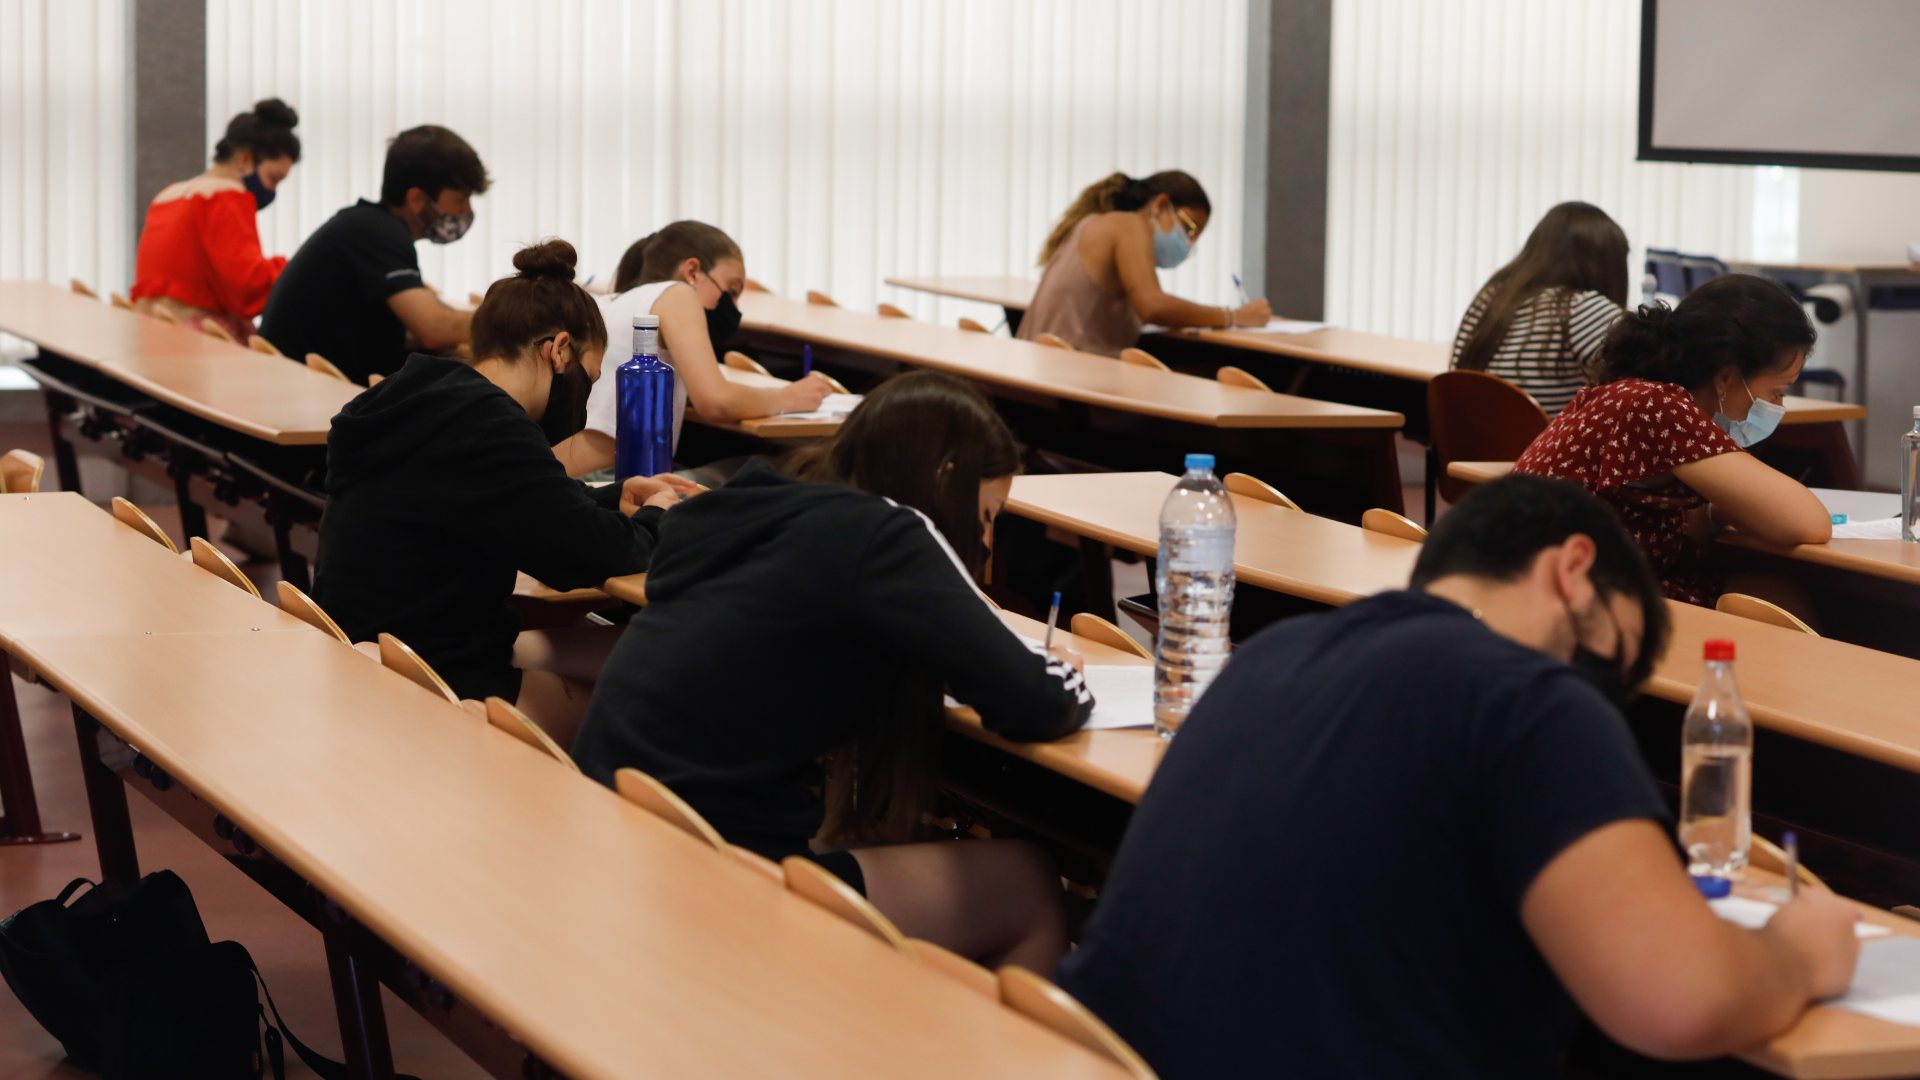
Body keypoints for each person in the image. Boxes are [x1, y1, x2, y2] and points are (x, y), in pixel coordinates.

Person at [1056, 474, 1861, 1079]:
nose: (1595, 694)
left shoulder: (1274, 655)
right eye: (1603, 662)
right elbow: (1680, 1001)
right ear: (1572, 570)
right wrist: (1799, 951)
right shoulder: (1528, 698)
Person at [571, 371, 1093, 972]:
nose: (980, 540)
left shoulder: (757, 505)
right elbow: (1035, 700)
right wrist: (1066, 669)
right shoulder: (888, 531)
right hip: (710, 868)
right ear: (947, 478)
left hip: (620, 825)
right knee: (1025, 881)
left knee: (879, 841)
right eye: (983, 517)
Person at [313, 239, 690, 744]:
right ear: (558, 350)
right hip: (433, 678)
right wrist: (659, 515)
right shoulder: (490, 426)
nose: (583, 395)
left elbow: (514, 505)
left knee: (606, 648)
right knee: (656, 709)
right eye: (588, 376)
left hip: (367, 652)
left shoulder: (420, 394)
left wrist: (609, 499)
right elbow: (583, 557)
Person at [1515, 274, 1831, 605]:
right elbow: (1809, 523)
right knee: (1780, 599)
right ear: (1726, 377)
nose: (1779, 407)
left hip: (1567, 587)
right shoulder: (1657, 406)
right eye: (1777, 392)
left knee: (1775, 593)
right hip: (1565, 600)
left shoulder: (1641, 393)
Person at [549, 221, 831, 476]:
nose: (732, 307)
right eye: (731, 290)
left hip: (569, 471)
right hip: (615, 475)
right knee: (780, 467)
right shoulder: (677, 293)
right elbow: (715, 401)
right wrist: (790, 397)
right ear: (693, 271)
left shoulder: (613, 301)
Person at [259, 125, 489, 383]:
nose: (466, 210)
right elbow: (433, 328)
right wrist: (505, 322)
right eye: (460, 199)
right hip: (309, 397)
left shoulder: (367, 226)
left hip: (302, 386)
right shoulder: (377, 232)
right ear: (416, 199)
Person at [1016, 171, 1270, 357]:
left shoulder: (1095, 224)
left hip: (1043, 379)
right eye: (1189, 228)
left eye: (1195, 238)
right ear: (1160, 205)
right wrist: (1236, 316)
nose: (1188, 242)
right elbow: (1153, 306)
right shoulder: (1128, 225)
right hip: (1068, 388)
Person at [129, 99, 301, 342]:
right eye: (273, 178)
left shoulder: (167, 195)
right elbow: (248, 288)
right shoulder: (226, 197)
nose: (273, 191)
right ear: (244, 159)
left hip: (152, 336)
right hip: (198, 347)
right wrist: (294, 269)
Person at [1451, 201, 1629, 415]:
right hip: (1544, 447)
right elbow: (1651, 385)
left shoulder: (1491, 299)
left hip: (1476, 447)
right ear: (1607, 265)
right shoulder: (1581, 308)